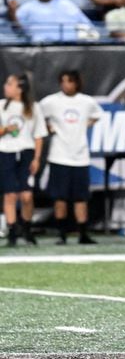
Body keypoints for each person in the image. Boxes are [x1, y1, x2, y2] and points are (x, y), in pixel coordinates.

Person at [40, 70, 103, 245]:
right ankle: (62, 235)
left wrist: (84, 126)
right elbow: (38, 115)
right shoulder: (51, 101)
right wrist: (48, 127)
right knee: (59, 198)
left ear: (76, 83)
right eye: (63, 81)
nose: (66, 85)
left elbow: (97, 115)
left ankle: (83, 234)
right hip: (59, 156)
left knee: (80, 198)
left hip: (80, 156)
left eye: (69, 81)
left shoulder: (87, 102)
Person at [0, 73, 48, 247]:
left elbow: (39, 135)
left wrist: (36, 158)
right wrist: (5, 129)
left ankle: (26, 228)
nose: (6, 87)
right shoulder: (1, 107)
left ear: (20, 88)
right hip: (6, 153)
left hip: (26, 153)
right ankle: (12, 231)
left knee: (26, 195)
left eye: (9, 84)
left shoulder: (33, 108)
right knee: (10, 194)